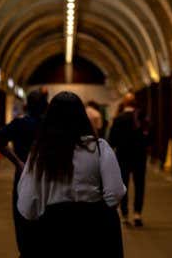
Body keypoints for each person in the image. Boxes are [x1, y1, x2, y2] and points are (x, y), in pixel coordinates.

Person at [16, 91, 126, 258]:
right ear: (82, 117)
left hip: (51, 232)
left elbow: (27, 203)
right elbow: (115, 192)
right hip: (94, 231)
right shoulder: (99, 148)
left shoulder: (39, 152)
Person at [0, 89, 48, 255]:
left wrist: (17, 162)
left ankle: (25, 251)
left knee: (22, 216)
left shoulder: (19, 124)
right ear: (45, 106)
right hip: (47, 177)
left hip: (24, 175)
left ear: (26, 106)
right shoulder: (49, 125)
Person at [107, 92, 149, 227]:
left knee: (123, 185)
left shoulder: (118, 119)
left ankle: (125, 215)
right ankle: (137, 214)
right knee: (139, 185)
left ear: (124, 103)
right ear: (134, 102)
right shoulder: (141, 118)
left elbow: (112, 140)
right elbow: (149, 137)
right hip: (139, 157)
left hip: (123, 157)